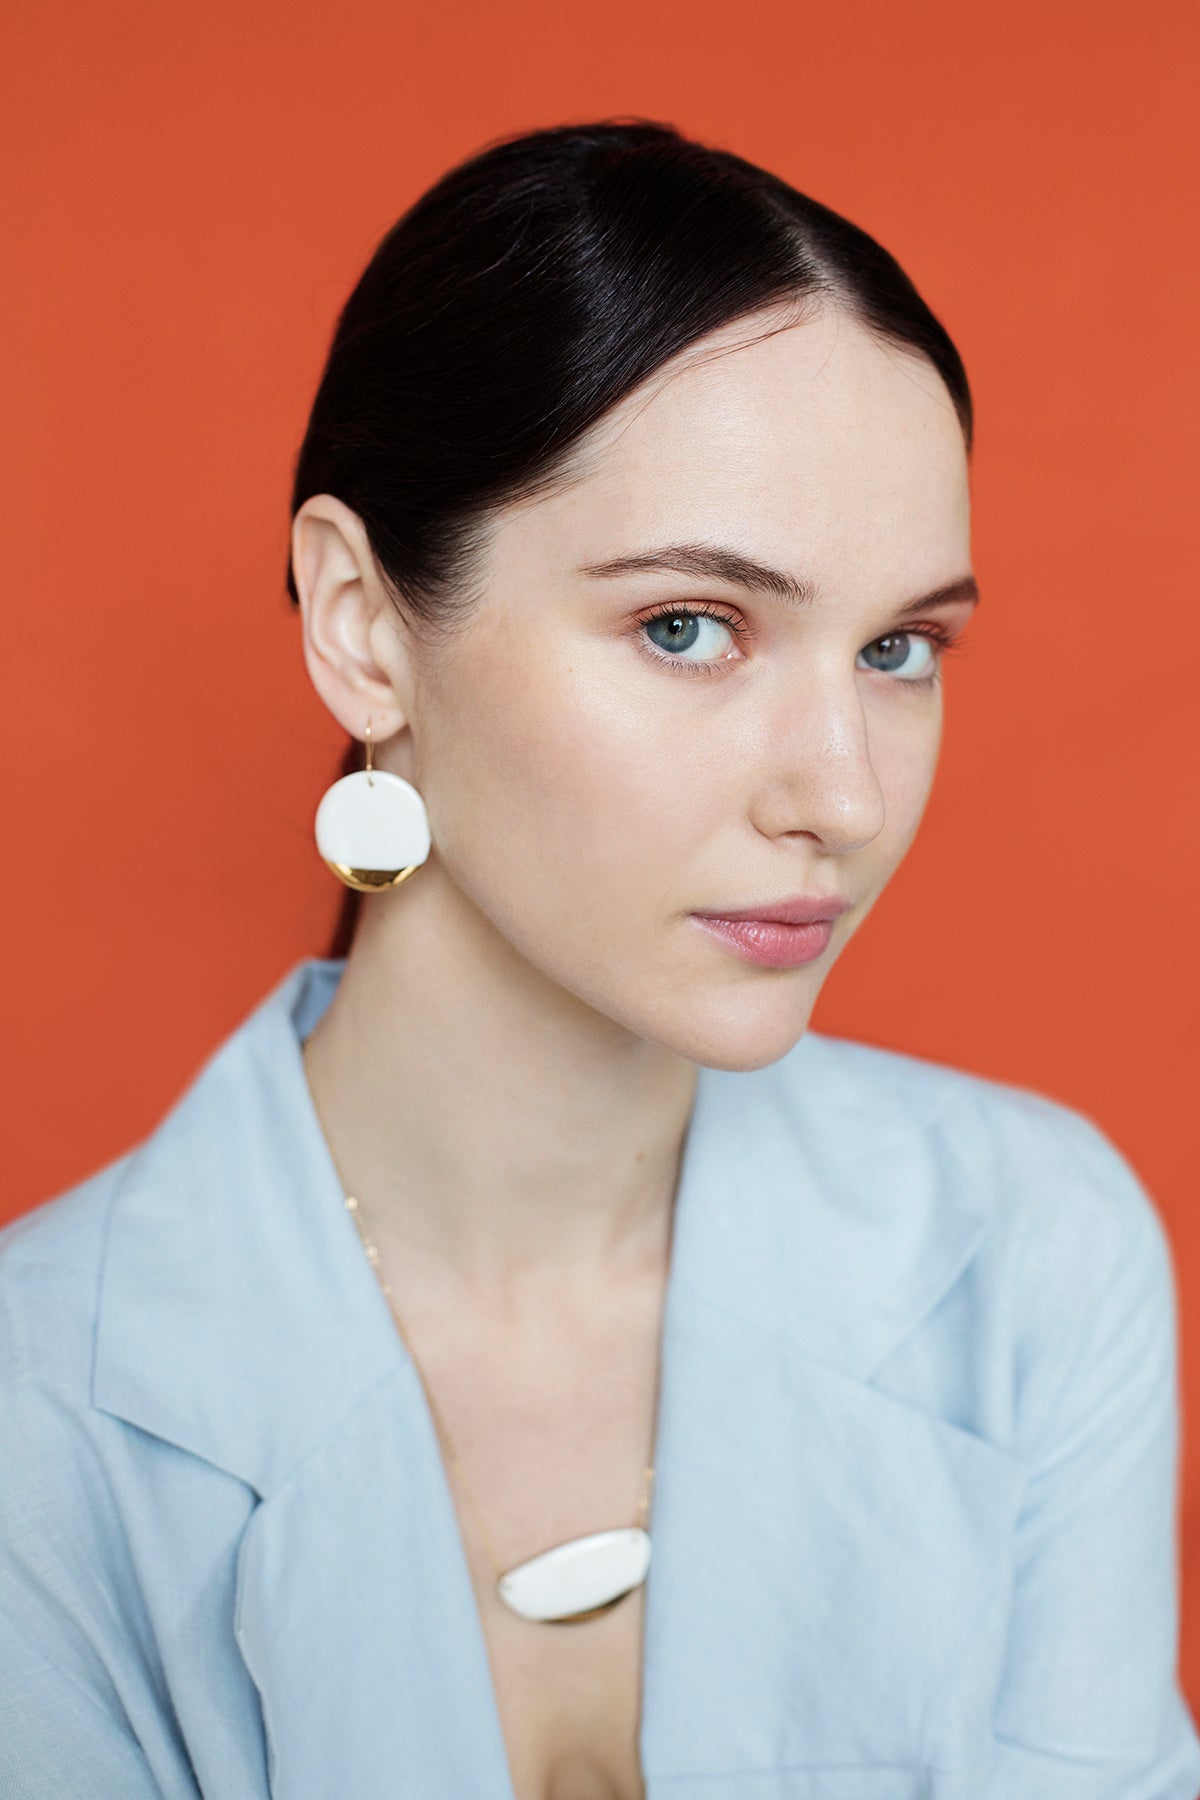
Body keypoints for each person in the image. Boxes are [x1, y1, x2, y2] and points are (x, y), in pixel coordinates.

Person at [1, 118, 1197, 1800]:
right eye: (688, 627)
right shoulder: (34, 1413)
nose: (844, 794)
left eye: (902, 648)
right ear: (362, 626)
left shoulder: (1029, 1261)